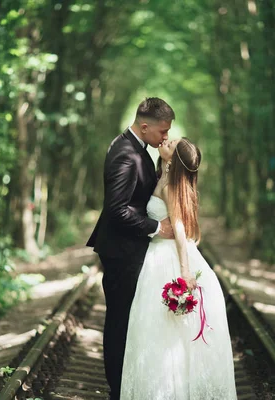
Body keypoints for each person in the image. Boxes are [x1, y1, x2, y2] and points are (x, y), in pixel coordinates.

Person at [120, 138, 237, 400]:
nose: (165, 140)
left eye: (170, 143)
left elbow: (180, 231)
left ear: (173, 159)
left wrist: (184, 271)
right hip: (156, 255)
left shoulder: (171, 187)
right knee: (158, 329)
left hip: (167, 258)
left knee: (167, 331)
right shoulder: (160, 176)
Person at [86, 97, 176, 400]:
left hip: (129, 250)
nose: (166, 137)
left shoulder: (137, 148)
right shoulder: (126, 154)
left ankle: (127, 385)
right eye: (163, 131)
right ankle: (118, 390)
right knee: (120, 322)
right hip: (122, 253)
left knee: (129, 320)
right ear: (145, 125)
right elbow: (117, 210)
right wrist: (156, 228)